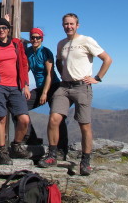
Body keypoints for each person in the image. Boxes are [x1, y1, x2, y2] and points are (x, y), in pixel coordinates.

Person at [38, 13, 113, 176]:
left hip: (82, 86)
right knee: (54, 119)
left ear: (77, 25)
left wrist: (97, 78)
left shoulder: (87, 41)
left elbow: (107, 59)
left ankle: (85, 161)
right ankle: (52, 155)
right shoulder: (61, 44)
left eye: (71, 24)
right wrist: (64, 73)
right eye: (66, 24)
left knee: (84, 125)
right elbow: (59, 61)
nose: (68, 26)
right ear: (62, 25)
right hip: (64, 87)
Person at [0, 17, 31, 165]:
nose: (1, 30)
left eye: (4, 28)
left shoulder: (16, 44)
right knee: (1, 118)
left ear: (8, 30)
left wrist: (26, 84)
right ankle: (2, 151)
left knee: (24, 119)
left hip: (16, 86)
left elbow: (23, 64)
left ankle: (16, 145)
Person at [24, 28, 68, 156]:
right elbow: (25, 70)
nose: (35, 40)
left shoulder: (46, 52)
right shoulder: (28, 52)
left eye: (38, 37)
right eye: (33, 37)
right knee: (20, 107)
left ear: (42, 39)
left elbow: (50, 74)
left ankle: (61, 149)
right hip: (40, 88)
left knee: (57, 117)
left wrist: (44, 93)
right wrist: (25, 86)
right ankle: (31, 139)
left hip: (53, 86)